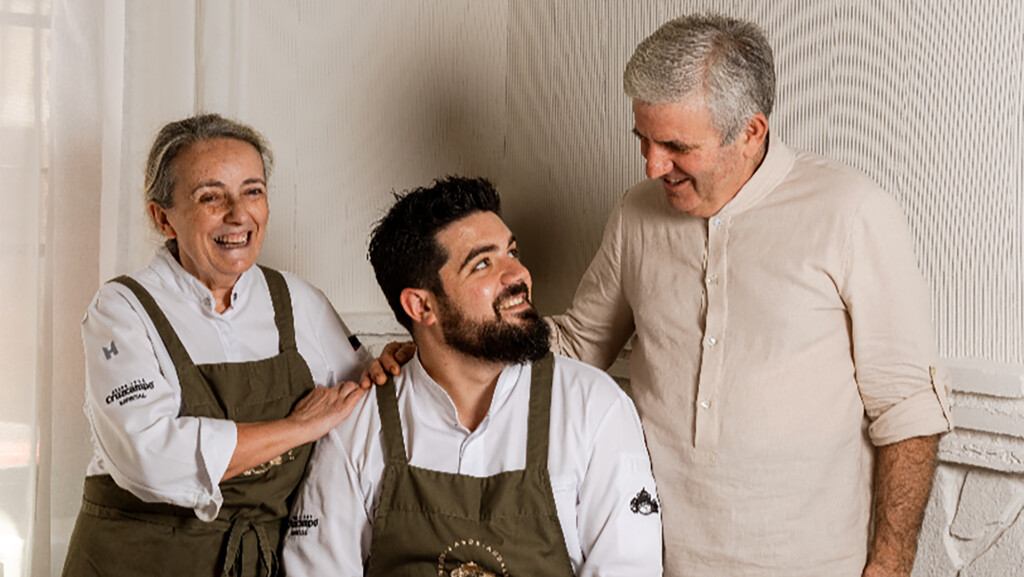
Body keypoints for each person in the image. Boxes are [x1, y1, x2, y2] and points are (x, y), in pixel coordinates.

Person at [372, 14, 953, 577]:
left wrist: (889, 566)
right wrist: (436, 352)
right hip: (654, 560)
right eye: (643, 140)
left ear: (751, 132)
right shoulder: (636, 213)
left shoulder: (852, 213)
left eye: (676, 146)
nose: (653, 165)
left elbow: (908, 408)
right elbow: (577, 344)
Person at [283, 176, 662, 577]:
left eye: (512, 252)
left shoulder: (594, 408)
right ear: (421, 306)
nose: (519, 275)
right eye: (483, 263)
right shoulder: (358, 425)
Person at [62, 113, 370, 577]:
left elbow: (357, 406)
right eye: (211, 196)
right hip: (135, 562)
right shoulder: (122, 310)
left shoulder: (297, 301)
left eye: (253, 191)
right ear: (161, 217)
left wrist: (396, 364)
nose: (239, 213)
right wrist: (296, 428)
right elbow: (152, 458)